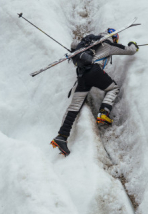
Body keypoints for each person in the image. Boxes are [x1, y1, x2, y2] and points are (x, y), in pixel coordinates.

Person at [50, 28, 139, 156]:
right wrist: (133, 45)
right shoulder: (108, 44)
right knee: (113, 88)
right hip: (94, 71)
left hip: (82, 75)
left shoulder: (88, 43)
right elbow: (130, 51)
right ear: (114, 38)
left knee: (75, 106)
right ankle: (103, 112)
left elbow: (74, 45)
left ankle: (61, 136)